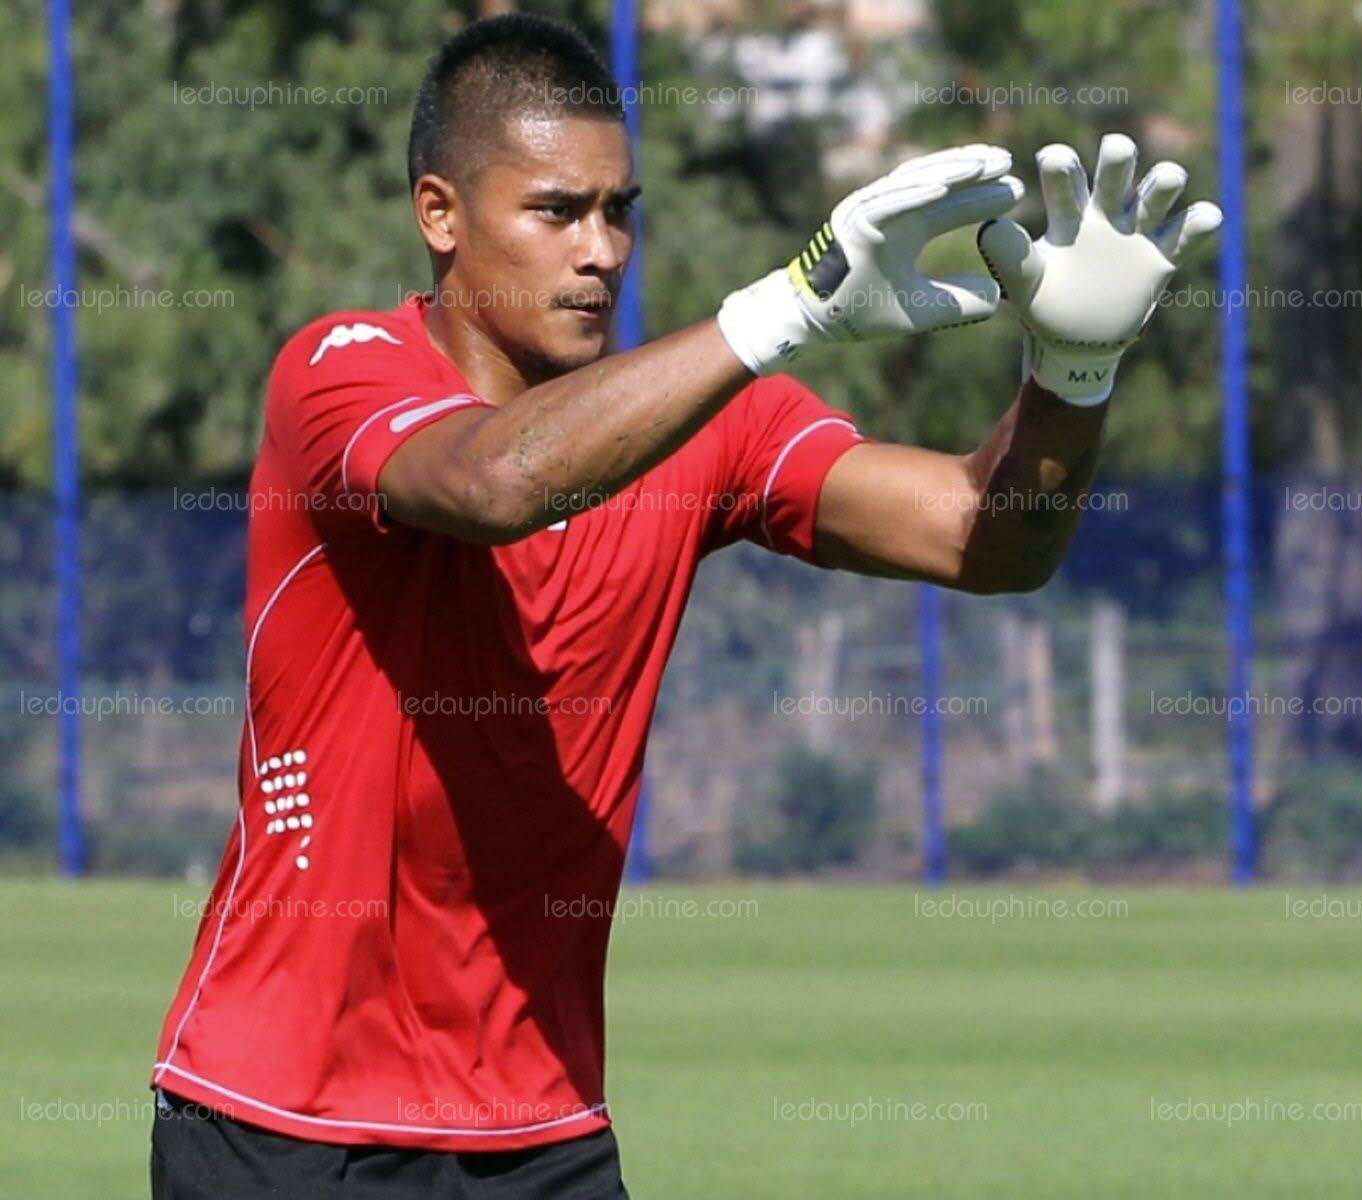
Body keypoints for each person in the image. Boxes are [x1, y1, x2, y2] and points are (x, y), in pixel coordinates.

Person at [148, 13, 1219, 1199]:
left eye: (620, 211)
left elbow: (987, 542)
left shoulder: (701, 416)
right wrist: (784, 305)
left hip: (543, 1133)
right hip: (282, 1124)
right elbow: (494, 482)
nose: (601, 249)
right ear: (441, 215)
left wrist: (1072, 372)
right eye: (556, 212)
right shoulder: (338, 368)